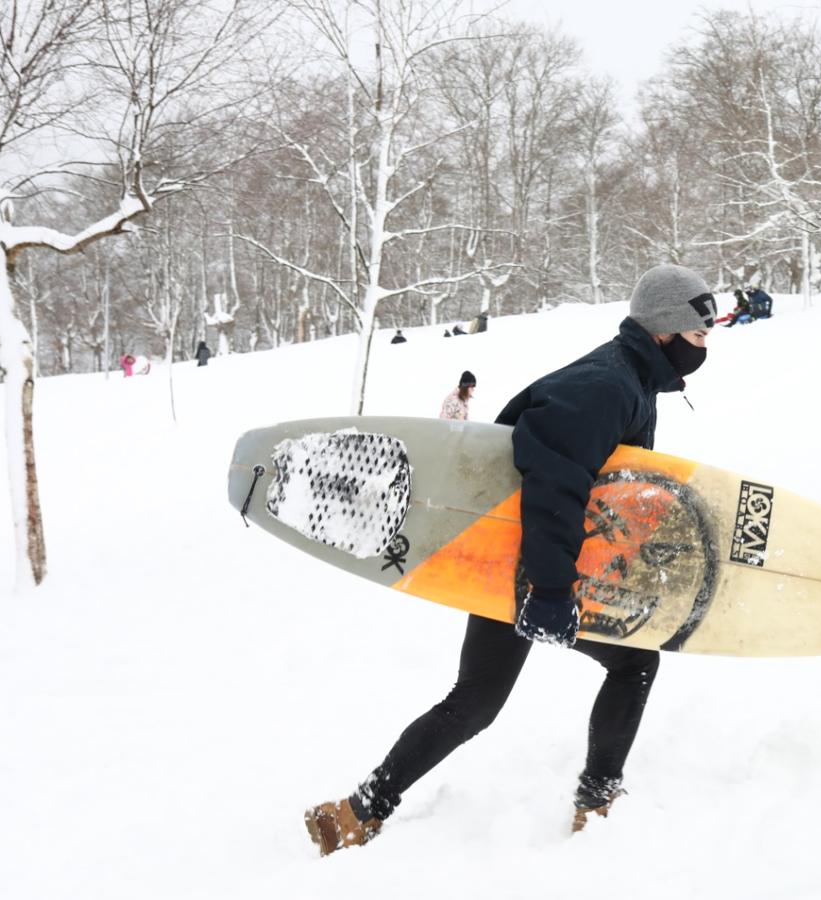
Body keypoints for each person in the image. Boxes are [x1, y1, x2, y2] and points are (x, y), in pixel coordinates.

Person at [304, 263, 718, 856]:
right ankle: (595, 805)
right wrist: (550, 591)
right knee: (631, 667)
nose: (704, 351)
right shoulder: (605, 386)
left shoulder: (627, 378)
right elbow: (554, 487)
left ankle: (354, 813)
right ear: (665, 330)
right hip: (532, 563)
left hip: (521, 559)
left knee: (474, 701)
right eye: (699, 338)